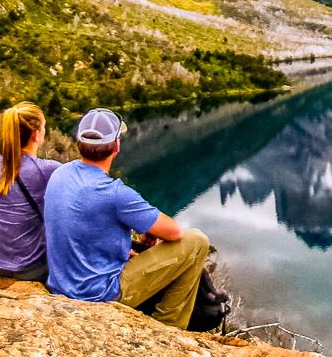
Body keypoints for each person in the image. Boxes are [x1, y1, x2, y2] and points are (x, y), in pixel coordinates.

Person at [44, 108, 211, 329]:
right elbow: (174, 232)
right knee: (197, 242)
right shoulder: (115, 193)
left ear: (79, 143)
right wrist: (147, 230)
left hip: (61, 285)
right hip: (100, 293)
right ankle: (168, 328)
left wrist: (125, 247)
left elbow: (86, 227)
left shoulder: (60, 174)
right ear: (117, 146)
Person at [0, 102, 62, 281]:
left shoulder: (0, 162)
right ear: (36, 134)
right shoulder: (46, 170)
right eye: (44, 127)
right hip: (29, 266)